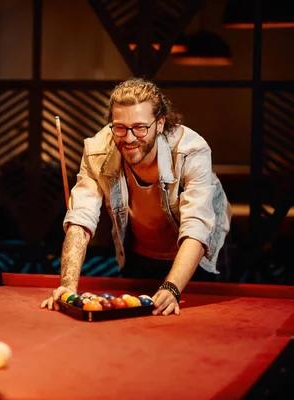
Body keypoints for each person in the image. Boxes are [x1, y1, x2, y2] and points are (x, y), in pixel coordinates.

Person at [41, 77, 232, 316]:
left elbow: (197, 226)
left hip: (197, 255)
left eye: (140, 127)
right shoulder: (97, 150)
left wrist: (172, 287)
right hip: (140, 252)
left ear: (160, 123)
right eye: (120, 127)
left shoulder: (191, 150)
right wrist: (68, 287)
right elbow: (80, 219)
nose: (129, 138)